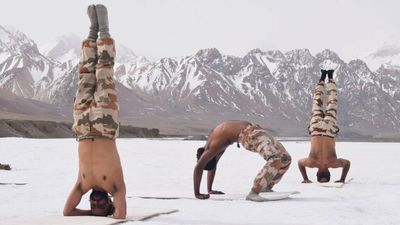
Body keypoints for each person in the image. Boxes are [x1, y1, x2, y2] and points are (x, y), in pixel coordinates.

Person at [63, 4, 126, 219]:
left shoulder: (83, 184)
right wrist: (109, 212)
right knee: (104, 73)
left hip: (82, 128)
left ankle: (92, 31)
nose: (96, 202)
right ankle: (104, 28)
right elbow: (120, 215)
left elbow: (68, 211)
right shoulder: (116, 186)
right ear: (110, 204)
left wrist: (90, 213)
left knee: (85, 75)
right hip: (105, 127)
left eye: (94, 203)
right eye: (101, 205)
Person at [193, 121, 291, 202]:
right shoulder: (214, 145)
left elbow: (199, 166)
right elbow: (205, 166)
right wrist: (200, 192)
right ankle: (254, 192)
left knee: (285, 158)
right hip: (250, 135)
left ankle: (266, 186)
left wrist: (208, 190)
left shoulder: (213, 145)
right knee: (275, 158)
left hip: (256, 132)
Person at [298, 63, 350, 183]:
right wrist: (305, 178)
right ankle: (322, 78)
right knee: (317, 102)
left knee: (332, 102)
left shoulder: (333, 163)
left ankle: (330, 77)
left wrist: (342, 179)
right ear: (317, 173)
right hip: (316, 129)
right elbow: (300, 163)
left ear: (329, 173)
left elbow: (347, 164)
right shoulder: (311, 163)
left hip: (329, 130)